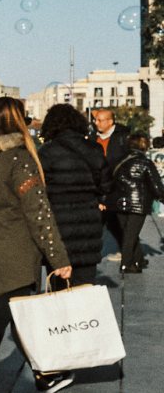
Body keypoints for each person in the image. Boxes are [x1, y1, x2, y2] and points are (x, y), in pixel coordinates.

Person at [0, 97, 73, 393]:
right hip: (11, 247)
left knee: (17, 312)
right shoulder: (18, 158)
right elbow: (38, 210)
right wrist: (58, 257)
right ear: (19, 121)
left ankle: (43, 375)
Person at [39, 103, 108, 285]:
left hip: (58, 225)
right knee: (85, 284)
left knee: (59, 286)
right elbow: (107, 185)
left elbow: (39, 190)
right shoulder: (94, 149)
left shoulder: (46, 152)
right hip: (88, 225)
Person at [112, 134, 164, 273]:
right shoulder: (145, 162)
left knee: (128, 232)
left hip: (119, 201)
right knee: (131, 234)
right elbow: (156, 186)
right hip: (138, 203)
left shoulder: (119, 159)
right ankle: (126, 264)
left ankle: (139, 259)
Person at [91, 107, 131, 258]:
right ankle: (93, 252)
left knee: (118, 222)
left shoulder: (123, 137)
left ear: (110, 121)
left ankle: (129, 253)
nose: (96, 123)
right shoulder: (93, 137)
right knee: (98, 222)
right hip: (99, 186)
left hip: (118, 186)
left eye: (100, 120)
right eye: (95, 120)